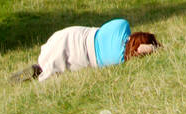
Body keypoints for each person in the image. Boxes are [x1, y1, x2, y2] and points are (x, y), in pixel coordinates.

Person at [11, 18, 160, 82]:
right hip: (83, 54)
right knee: (58, 67)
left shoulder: (122, 25)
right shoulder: (119, 58)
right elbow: (140, 50)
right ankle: (40, 72)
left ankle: (37, 69)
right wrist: (154, 49)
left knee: (50, 59)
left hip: (75, 35)